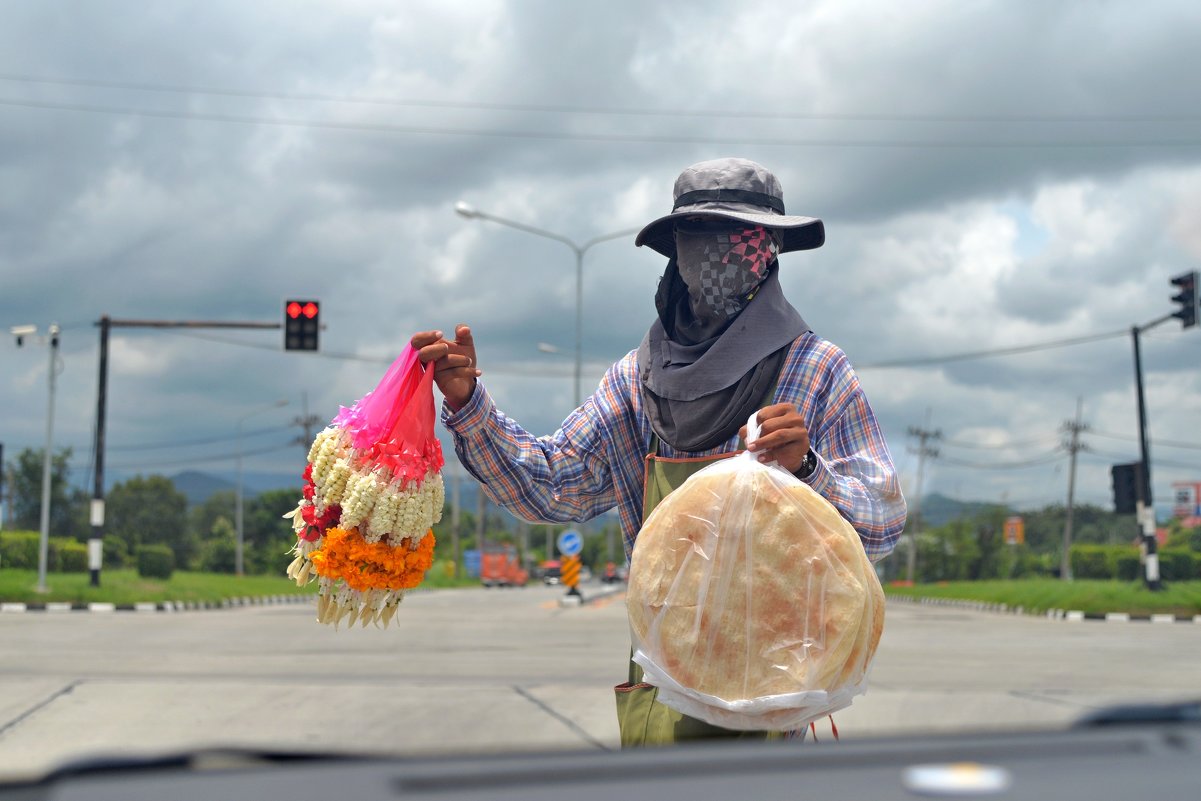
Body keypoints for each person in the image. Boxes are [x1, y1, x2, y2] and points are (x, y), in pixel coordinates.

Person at [412, 157, 907, 745]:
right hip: (661, 683)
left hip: (773, 689)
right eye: (702, 238)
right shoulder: (636, 381)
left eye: (741, 239)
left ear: (770, 250)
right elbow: (552, 486)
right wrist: (469, 404)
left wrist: (808, 471)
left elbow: (880, 525)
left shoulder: (816, 370)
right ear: (676, 249)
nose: (721, 256)